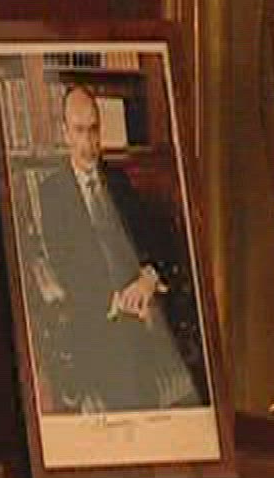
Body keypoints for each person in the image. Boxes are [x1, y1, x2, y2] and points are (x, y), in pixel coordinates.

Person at [32, 84, 203, 412]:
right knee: (128, 362)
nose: (89, 142)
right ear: (66, 134)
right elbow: (66, 266)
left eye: (94, 130)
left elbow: (156, 241)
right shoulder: (52, 193)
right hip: (98, 311)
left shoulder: (119, 181)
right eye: (80, 131)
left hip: (141, 300)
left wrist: (148, 279)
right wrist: (115, 301)